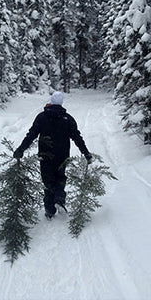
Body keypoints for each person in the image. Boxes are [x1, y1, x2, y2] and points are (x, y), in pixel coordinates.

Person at [13, 91, 92, 219]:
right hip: (62, 155)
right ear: (61, 103)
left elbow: (31, 135)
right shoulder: (68, 119)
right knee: (60, 177)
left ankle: (50, 210)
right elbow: (77, 138)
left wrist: (21, 149)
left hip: (45, 155)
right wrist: (86, 153)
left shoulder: (41, 117)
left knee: (48, 181)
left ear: (51, 102)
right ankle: (59, 199)